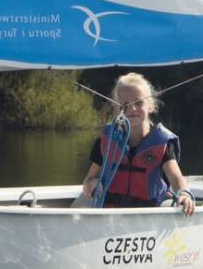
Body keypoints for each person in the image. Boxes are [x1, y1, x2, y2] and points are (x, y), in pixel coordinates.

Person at [82, 72, 195, 217]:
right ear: (116, 110)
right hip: (111, 215)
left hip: (150, 214)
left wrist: (184, 193)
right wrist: (91, 186)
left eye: (138, 102)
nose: (132, 108)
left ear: (150, 106)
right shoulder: (105, 142)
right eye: (124, 104)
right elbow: (88, 180)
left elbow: (176, 178)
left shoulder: (163, 143)